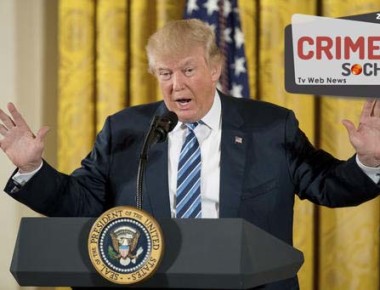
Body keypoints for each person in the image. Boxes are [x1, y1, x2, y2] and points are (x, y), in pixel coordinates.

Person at [0, 19, 379, 290]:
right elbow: (82, 202)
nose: (175, 83)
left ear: (215, 68)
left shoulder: (270, 126)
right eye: (164, 73)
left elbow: (329, 186)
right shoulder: (127, 130)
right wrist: (32, 168)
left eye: (187, 69)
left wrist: (370, 161)